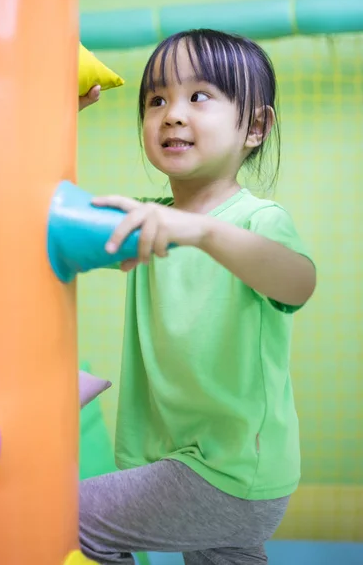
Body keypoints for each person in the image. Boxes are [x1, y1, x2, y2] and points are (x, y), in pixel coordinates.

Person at [78, 29, 316, 565]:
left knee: (70, 521)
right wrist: (52, 114)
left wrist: (202, 232)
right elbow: (41, 213)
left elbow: (298, 283)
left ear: (255, 125)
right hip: (204, 469)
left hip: (228, 472)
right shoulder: (144, 218)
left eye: (199, 96)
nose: (173, 114)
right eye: (156, 99)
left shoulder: (257, 221)